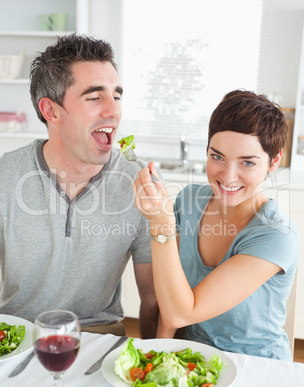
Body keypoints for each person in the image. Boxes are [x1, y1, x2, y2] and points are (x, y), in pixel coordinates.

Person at [0, 34, 159, 338]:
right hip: (16, 336)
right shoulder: (6, 175)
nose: (114, 111)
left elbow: (151, 299)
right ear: (51, 111)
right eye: (95, 97)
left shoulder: (139, 183)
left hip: (98, 337)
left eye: (117, 95)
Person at [133, 89, 299, 360]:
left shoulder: (276, 235)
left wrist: (160, 223)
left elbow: (182, 311)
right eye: (217, 156)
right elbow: (171, 298)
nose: (228, 176)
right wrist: (156, 357)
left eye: (247, 162)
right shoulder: (189, 201)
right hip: (192, 357)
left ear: (274, 161)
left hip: (253, 365)